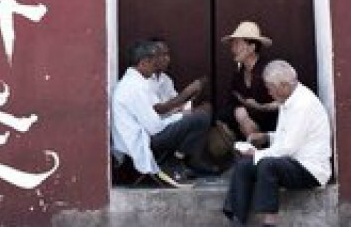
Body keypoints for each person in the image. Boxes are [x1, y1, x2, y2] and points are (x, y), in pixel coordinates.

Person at [207, 60, 332, 227]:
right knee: (244, 165)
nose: (268, 92)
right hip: (292, 161)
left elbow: (287, 148)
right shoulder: (289, 100)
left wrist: (256, 153)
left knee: (267, 165)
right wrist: (266, 137)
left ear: (284, 85)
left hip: (310, 169)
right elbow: (288, 137)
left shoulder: (303, 105)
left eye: (270, 88)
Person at [111, 40, 210, 188]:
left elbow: (156, 114)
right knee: (199, 119)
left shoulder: (136, 82)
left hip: (145, 135)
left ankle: (174, 161)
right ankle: (172, 162)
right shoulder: (135, 87)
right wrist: (182, 116)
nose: (155, 67)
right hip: (141, 143)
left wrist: (180, 115)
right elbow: (155, 127)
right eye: (153, 63)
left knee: (196, 116)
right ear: (143, 63)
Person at [148, 40, 217, 175]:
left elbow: (176, 102)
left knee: (206, 109)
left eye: (168, 54)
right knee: (200, 118)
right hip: (157, 130)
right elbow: (159, 110)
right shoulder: (144, 81)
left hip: (170, 120)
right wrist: (187, 92)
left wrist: (192, 98)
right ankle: (176, 159)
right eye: (163, 55)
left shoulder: (165, 79)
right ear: (150, 57)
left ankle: (191, 158)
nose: (167, 59)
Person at [218, 21, 279, 140]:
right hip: (249, 125)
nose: (233, 49)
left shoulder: (269, 70)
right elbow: (231, 102)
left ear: (252, 48)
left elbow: (286, 102)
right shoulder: (239, 75)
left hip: (273, 125)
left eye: (237, 44)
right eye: (232, 44)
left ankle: (262, 147)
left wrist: (261, 107)